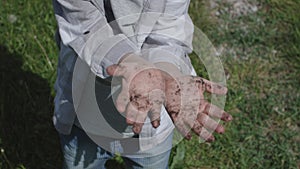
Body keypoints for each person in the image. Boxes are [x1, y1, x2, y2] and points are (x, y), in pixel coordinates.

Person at [52, 0, 232, 168]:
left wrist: (169, 73)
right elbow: (82, 20)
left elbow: (171, 24)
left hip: (152, 125)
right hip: (86, 112)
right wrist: (126, 60)